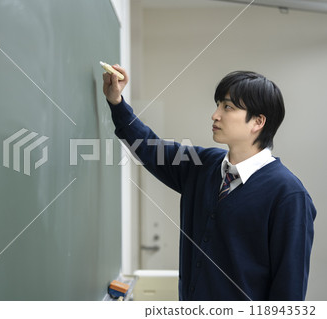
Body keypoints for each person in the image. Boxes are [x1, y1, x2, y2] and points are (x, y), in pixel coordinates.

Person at [102, 65, 316, 301]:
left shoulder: (289, 195)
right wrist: (117, 102)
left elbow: (289, 293)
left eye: (228, 107)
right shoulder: (203, 165)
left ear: (257, 121)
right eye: (218, 105)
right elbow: (150, 148)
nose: (215, 115)